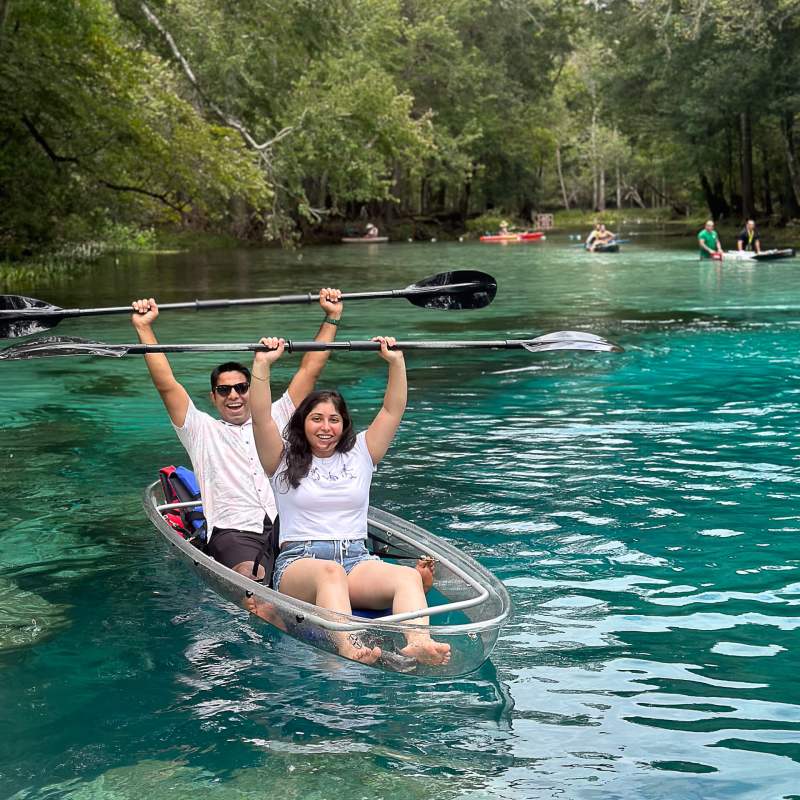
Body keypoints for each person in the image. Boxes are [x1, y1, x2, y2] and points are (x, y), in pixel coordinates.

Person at [249, 335, 452, 667]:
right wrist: (262, 365)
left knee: (407, 577)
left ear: (344, 426)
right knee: (330, 573)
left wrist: (396, 362)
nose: (325, 427)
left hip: (356, 558)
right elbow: (260, 418)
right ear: (302, 423)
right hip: (301, 563)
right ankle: (347, 646)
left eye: (334, 420)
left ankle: (418, 642)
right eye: (316, 419)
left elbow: (392, 409)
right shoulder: (281, 458)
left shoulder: (361, 452)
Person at [130, 288, 344, 585]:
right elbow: (166, 384)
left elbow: (311, 368)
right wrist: (144, 328)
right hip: (233, 531)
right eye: (224, 390)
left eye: (242, 387)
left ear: (252, 389)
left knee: (330, 571)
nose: (234, 395)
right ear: (214, 396)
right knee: (249, 580)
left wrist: (332, 317)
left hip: (289, 524)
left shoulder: (278, 414)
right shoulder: (201, 429)